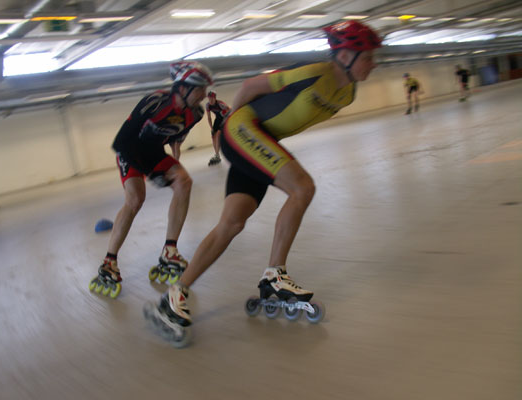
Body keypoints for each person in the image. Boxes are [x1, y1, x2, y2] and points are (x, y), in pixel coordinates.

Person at [144, 20, 382, 345]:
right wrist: (233, 126)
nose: (373, 63)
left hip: (260, 139)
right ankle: (275, 275)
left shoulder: (348, 91)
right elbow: (252, 85)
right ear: (344, 55)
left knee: (231, 223)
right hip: (245, 130)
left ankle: (174, 295)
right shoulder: (317, 72)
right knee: (303, 188)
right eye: (368, 56)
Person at [89, 61, 213, 299]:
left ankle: (170, 250)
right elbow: (121, 143)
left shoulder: (195, 113)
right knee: (135, 200)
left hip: (154, 152)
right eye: (200, 89)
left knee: (184, 182)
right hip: (131, 150)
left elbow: (175, 140)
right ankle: (109, 262)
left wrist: (176, 169)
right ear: (182, 88)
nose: (204, 95)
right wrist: (152, 173)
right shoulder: (154, 102)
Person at [205, 90, 231, 166]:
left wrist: (224, 113)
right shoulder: (208, 105)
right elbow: (209, 117)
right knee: (213, 135)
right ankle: (217, 155)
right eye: (209, 98)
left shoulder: (220, 104)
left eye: (212, 99)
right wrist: (211, 128)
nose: (210, 100)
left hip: (224, 118)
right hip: (217, 119)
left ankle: (218, 153)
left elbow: (230, 110)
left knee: (218, 134)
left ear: (215, 98)